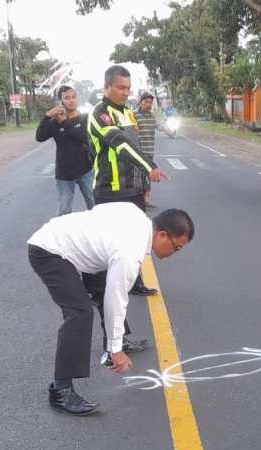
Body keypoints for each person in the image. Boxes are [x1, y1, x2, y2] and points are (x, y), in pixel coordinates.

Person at [27, 205, 194, 415]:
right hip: (49, 251)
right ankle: (61, 390)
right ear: (162, 234)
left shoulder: (137, 215)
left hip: (68, 244)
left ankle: (115, 342)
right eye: (176, 247)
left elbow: (99, 209)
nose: (174, 253)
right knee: (79, 313)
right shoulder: (129, 254)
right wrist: (117, 352)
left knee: (103, 287)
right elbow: (116, 299)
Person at [88, 64, 166, 297]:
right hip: (109, 189)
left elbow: (138, 147)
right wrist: (149, 166)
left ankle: (134, 281)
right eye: (121, 87)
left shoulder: (129, 113)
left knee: (135, 239)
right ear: (107, 87)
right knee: (104, 243)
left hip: (133, 188)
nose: (125, 92)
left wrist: (145, 185)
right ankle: (95, 289)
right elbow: (121, 145)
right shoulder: (100, 114)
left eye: (128, 88)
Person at [36, 85, 94, 215]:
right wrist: (46, 116)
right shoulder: (55, 122)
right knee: (64, 210)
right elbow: (39, 137)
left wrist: (64, 123)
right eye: (67, 98)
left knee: (94, 204)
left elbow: (83, 137)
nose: (71, 100)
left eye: (73, 97)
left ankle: (96, 233)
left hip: (85, 170)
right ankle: (62, 235)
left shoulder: (85, 119)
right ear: (61, 102)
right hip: (64, 173)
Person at [135, 92, 157, 208]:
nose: (148, 105)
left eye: (150, 102)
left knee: (147, 176)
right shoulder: (134, 115)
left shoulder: (152, 116)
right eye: (146, 102)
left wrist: (169, 131)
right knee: (139, 177)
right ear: (140, 102)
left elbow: (159, 126)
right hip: (138, 153)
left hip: (149, 152)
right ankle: (142, 200)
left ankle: (146, 200)